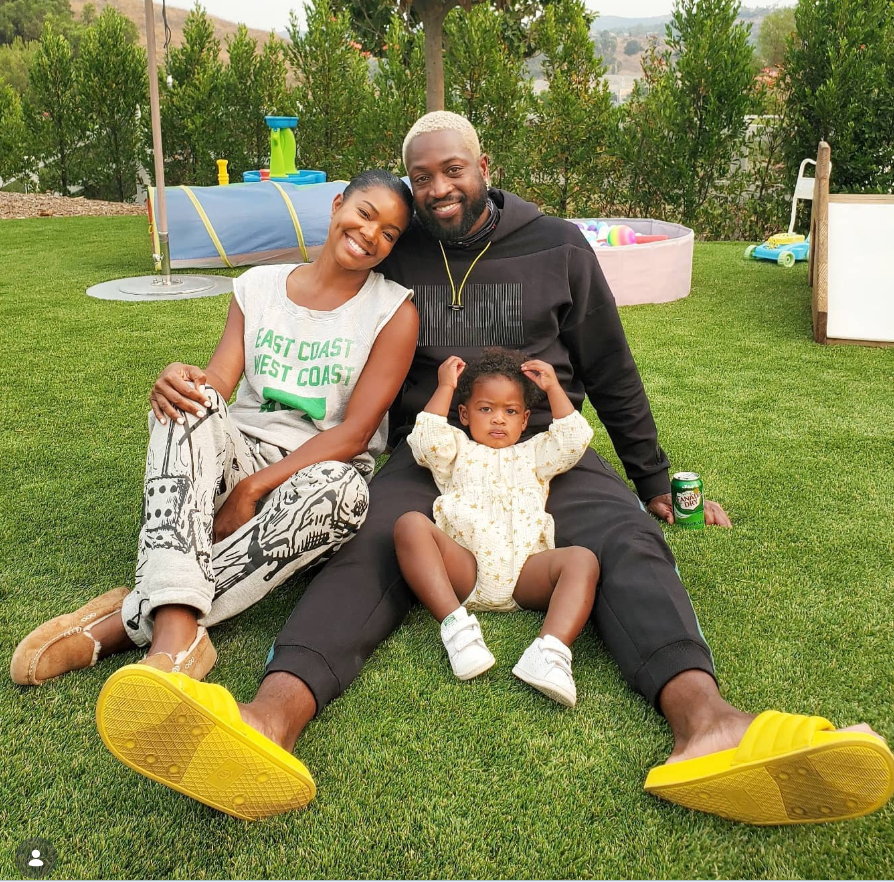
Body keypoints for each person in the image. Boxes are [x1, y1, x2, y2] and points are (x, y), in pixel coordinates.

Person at [88, 112, 894, 826]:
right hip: (433, 448)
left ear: (484, 168)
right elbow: (318, 288)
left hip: (545, 451)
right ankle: (269, 718)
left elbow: (610, 368)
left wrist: (653, 481)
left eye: (454, 168)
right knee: (373, 537)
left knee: (624, 540)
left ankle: (707, 721)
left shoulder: (556, 244)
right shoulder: (395, 248)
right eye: (423, 174)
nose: (438, 187)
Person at [11, 169, 419, 688]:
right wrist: (181, 382)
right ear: (339, 204)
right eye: (365, 214)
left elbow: (355, 435)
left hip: (312, 480)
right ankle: (177, 634)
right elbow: (219, 382)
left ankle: (124, 622)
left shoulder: (392, 310)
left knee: (346, 493)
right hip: (237, 452)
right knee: (189, 404)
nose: (370, 235)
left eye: (389, 233)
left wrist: (252, 490)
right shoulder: (259, 286)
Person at [394, 349, 598, 707]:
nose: (498, 420)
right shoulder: (456, 449)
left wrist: (553, 388)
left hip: (525, 575)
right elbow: (425, 442)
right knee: (410, 526)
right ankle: (456, 630)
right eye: (486, 409)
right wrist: (444, 386)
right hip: (466, 572)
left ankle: (549, 652)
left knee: (582, 560)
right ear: (464, 414)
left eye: (510, 411)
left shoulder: (536, 453)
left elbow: (573, 441)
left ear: (524, 420)